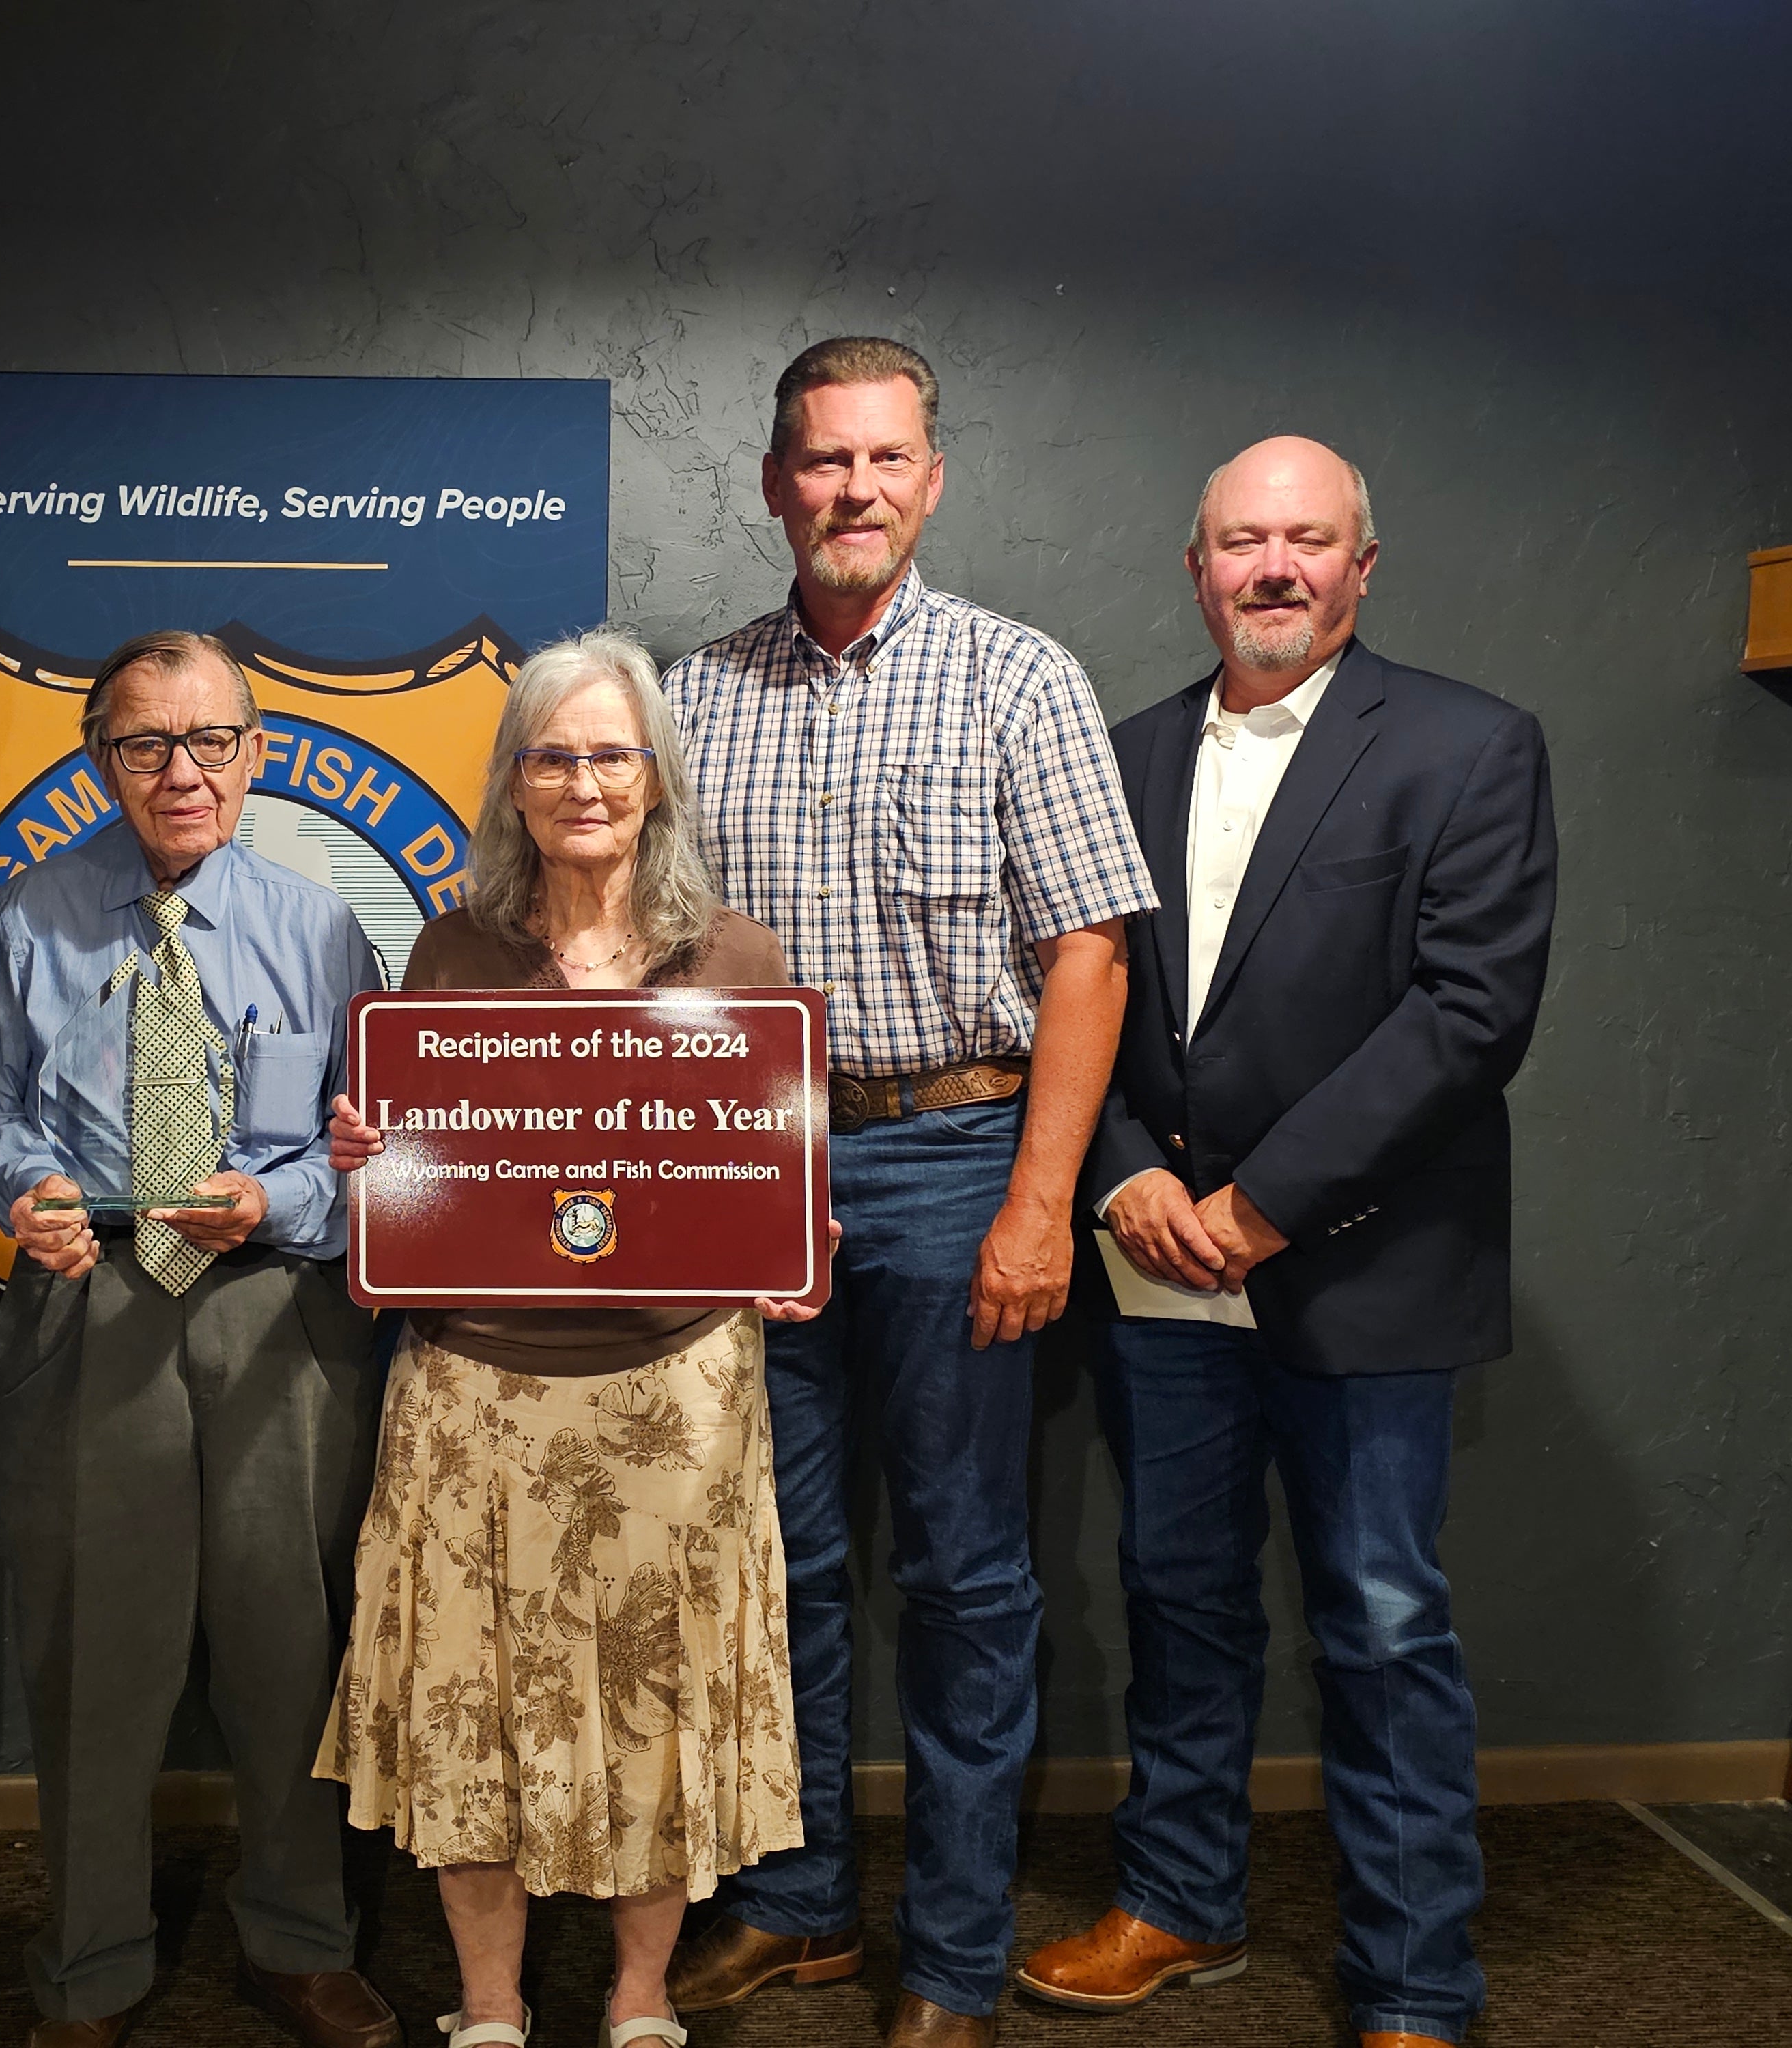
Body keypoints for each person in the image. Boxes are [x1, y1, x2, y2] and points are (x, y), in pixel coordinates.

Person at [1014, 438, 1556, 2048]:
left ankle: (1410, 1982)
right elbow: (1072, 994)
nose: (1272, 568)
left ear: (1360, 567)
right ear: (1194, 568)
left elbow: (1467, 1015)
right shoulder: (1112, 754)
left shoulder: (1468, 746)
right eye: (1240, 542)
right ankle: (1178, 1906)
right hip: (1154, 1256)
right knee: (1177, 1593)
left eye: (1306, 542)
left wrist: (1258, 1208)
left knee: (1379, 1618)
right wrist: (1118, 1179)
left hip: (1360, 1258)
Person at [657, 337, 1158, 2047]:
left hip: (960, 1158)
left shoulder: (1019, 678)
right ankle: (796, 1908)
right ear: (774, 480)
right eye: (819, 461)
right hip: (753, 1166)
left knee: (962, 1575)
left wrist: (1038, 1206)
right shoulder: (694, 692)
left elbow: (1083, 961)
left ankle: (945, 1953)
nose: (850, 490)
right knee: (775, 1559)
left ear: (929, 479)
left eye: (882, 460)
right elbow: (644, 964)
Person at [318, 627, 829, 2048]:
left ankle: (639, 1992)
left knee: (655, 1695)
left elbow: (768, 1170)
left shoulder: (733, 956)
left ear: (654, 778)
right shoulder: (449, 948)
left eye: (610, 754)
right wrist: (373, 1153)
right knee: (471, 1696)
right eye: (552, 756)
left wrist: (794, 1242)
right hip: (475, 1383)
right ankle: (486, 2003)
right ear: (514, 785)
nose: (583, 781)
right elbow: (412, 1163)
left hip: (675, 1390)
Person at [0, 630, 395, 2048]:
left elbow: (369, 1151)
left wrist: (284, 1195)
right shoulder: (27, 920)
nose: (180, 773)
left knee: (288, 1644)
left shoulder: (321, 928)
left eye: (210, 742)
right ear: (99, 762)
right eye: (145, 745)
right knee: (93, 1660)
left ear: (255, 755)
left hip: (276, 1322)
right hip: (87, 1315)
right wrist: (21, 1189)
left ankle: (300, 1937)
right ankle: (88, 1965)